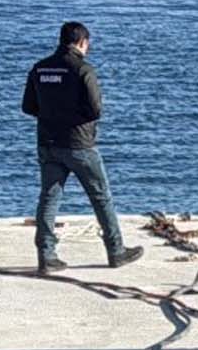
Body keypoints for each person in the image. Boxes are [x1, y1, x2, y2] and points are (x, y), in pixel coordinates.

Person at [21, 20, 140, 272]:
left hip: (48, 141)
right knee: (101, 196)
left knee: (49, 197)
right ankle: (116, 250)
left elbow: (28, 107)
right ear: (82, 42)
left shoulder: (40, 68)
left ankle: (46, 255)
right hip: (79, 143)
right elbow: (96, 109)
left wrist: (52, 112)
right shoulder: (83, 69)